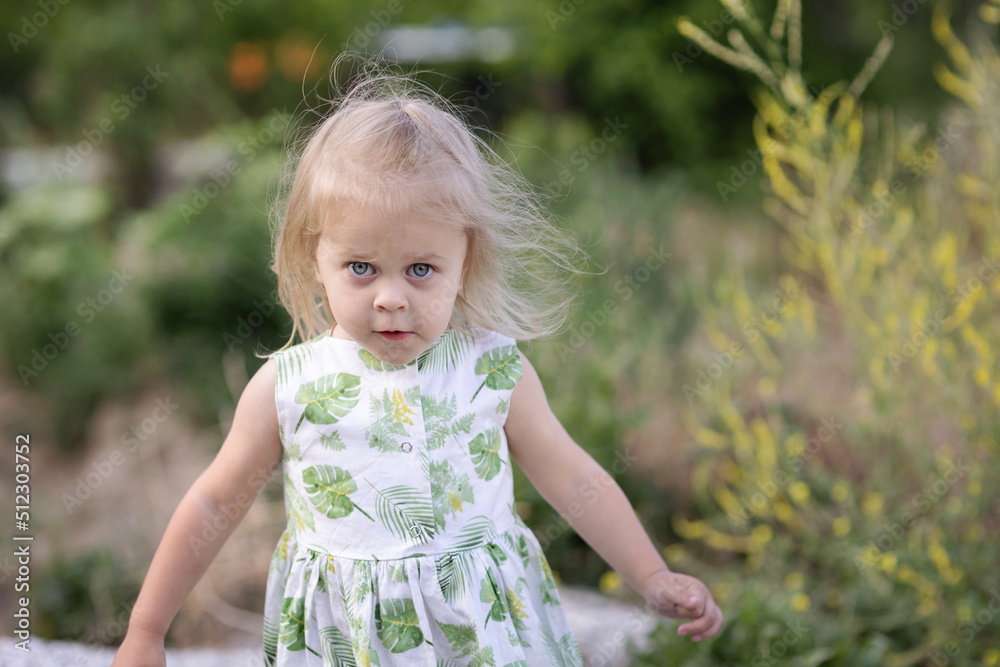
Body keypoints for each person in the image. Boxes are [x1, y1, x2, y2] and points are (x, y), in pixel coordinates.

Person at [112, 66, 723, 666]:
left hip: (481, 637)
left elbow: (573, 479)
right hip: (346, 640)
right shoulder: (289, 386)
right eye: (361, 268)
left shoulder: (492, 371)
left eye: (421, 269)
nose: (391, 298)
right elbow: (216, 503)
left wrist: (650, 575)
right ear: (313, 255)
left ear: (466, 258)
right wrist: (146, 629)